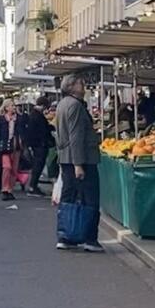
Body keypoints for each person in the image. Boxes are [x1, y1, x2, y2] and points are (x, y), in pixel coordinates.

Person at [55, 74, 104, 253]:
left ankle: (65, 235)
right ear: (71, 87)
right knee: (90, 198)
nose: (83, 85)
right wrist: (78, 164)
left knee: (68, 198)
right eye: (79, 83)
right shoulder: (75, 106)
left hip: (67, 158)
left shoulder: (62, 104)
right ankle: (90, 238)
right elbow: (76, 136)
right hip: (82, 159)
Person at [0, 99, 26, 201]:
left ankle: (10, 190)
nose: (14, 107)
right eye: (11, 105)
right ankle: (4, 188)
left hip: (16, 146)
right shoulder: (1, 119)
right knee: (7, 167)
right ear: (6, 107)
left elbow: (23, 130)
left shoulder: (19, 118)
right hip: (5, 146)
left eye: (14, 105)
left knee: (14, 169)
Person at [25, 96, 55, 196]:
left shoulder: (34, 114)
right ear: (43, 105)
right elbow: (42, 130)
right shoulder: (37, 116)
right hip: (39, 144)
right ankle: (32, 186)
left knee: (37, 165)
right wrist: (51, 129)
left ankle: (33, 185)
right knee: (38, 165)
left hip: (37, 144)